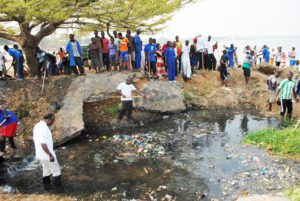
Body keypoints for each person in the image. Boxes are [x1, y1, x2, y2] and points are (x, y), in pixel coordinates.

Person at [33, 114, 61, 191]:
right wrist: (50, 155)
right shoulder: (44, 128)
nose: (53, 122)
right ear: (49, 120)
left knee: (46, 170)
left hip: (40, 153)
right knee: (56, 171)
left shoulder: (37, 125)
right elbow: (43, 143)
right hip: (47, 154)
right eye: (53, 120)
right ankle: (58, 190)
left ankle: (47, 188)